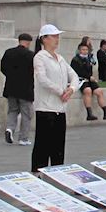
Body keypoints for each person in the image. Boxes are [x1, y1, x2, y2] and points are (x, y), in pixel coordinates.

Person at [31, 25, 75, 171]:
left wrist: (71, 89)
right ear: (44, 39)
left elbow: (74, 76)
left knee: (58, 147)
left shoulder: (60, 58)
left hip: (60, 108)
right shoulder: (40, 57)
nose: (57, 39)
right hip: (45, 107)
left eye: (57, 36)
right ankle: (38, 173)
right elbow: (42, 79)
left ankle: (58, 173)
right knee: (43, 146)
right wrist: (60, 91)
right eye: (53, 36)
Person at [0, 33, 36, 146]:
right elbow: (35, 70)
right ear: (28, 42)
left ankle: (10, 129)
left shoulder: (8, 52)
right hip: (25, 88)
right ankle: (23, 138)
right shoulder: (30, 55)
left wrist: (11, 76)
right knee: (26, 113)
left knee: (13, 110)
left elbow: (3, 68)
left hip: (11, 86)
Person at [71, 40, 106, 121]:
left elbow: (92, 67)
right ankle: (89, 114)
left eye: (86, 50)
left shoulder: (89, 58)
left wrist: (91, 77)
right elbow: (77, 72)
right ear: (79, 50)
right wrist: (89, 77)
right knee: (88, 91)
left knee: (99, 91)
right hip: (81, 80)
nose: (85, 51)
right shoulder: (75, 60)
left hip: (90, 79)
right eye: (83, 50)